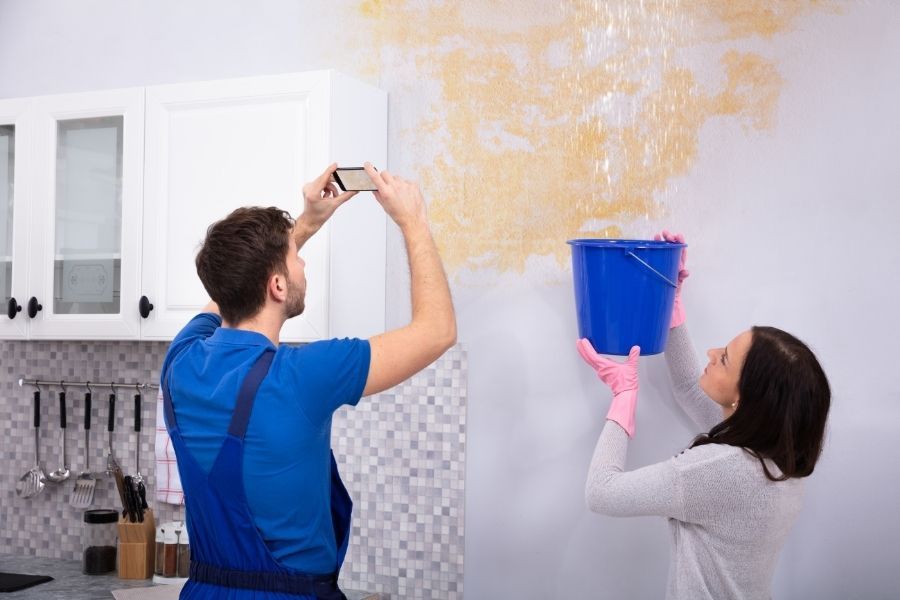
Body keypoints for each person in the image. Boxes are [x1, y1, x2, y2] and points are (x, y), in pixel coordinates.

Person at [159, 162, 456, 599]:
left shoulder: (179, 362)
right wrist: (412, 220)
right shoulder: (304, 375)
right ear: (278, 286)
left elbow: (230, 287)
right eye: (295, 258)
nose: (303, 261)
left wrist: (307, 222)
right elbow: (437, 331)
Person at [579, 231, 830, 600]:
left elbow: (601, 493)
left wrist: (623, 398)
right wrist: (669, 302)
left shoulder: (715, 472)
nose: (712, 353)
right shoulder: (780, 457)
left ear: (747, 398)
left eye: (724, 359)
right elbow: (687, 385)